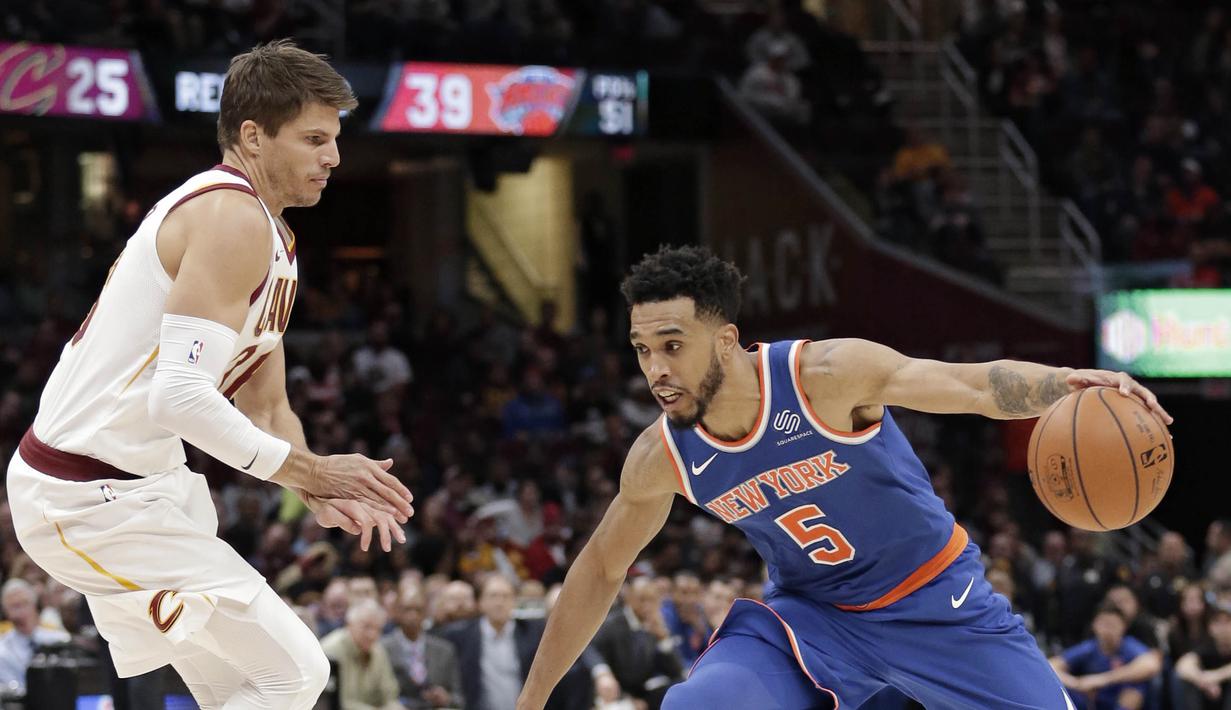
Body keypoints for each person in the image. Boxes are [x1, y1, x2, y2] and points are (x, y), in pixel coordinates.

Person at [515, 245, 1173, 709]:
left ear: (724, 340)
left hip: (935, 603)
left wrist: (1064, 385)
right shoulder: (662, 455)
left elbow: (964, 385)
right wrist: (531, 702)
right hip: (815, 619)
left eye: (671, 345)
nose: (654, 368)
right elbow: (600, 568)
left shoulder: (823, 379)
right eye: (642, 350)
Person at [5, 40, 414, 710]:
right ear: (253, 136)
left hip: (143, 489)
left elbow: (265, 401)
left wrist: (309, 482)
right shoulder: (227, 215)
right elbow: (181, 397)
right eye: (314, 138)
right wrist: (312, 472)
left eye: (335, 139)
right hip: (84, 497)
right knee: (296, 674)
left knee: (240, 691)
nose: (333, 157)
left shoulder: (271, 235)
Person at [1051, 604, 1160, 710]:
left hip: (1119, 699)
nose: (1108, 630)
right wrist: (1077, 683)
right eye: (1104, 624)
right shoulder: (1089, 648)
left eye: (1113, 625)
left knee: (1135, 689)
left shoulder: (1129, 646)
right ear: (1094, 625)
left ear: (1124, 626)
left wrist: (1102, 679)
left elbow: (1151, 664)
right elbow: (1052, 665)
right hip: (1093, 701)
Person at [382, 588, 463, 709]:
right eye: (407, 609)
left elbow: (459, 698)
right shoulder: (381, 648)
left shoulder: (445, 650)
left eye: (418, 610)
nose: (413, 615)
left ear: (426, 612)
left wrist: (446, 698)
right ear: (396, 611)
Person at [321, 599, 404, 710]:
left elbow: (390, 695)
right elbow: (339, 703)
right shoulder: (331, 650)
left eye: (378, 629)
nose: (372, 634)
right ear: (349, 625)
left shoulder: (378, 650)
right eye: (367, 627)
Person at [0, 579, 70, 690]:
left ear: (34, 604)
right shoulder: (2, 650)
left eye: (25, 603)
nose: (21, 611)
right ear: (6, 611)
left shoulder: (59, 639)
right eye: (15, 606)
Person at [1175, 603, 1231, 710]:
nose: (1223, 627)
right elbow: (1182, 665)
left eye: (1228, 621)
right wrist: (1204, 681)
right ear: (1210, 627)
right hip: (1209, 697)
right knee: (1183, 680)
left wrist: (1215, 676)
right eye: (1217, 622)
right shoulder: (1207, 647)